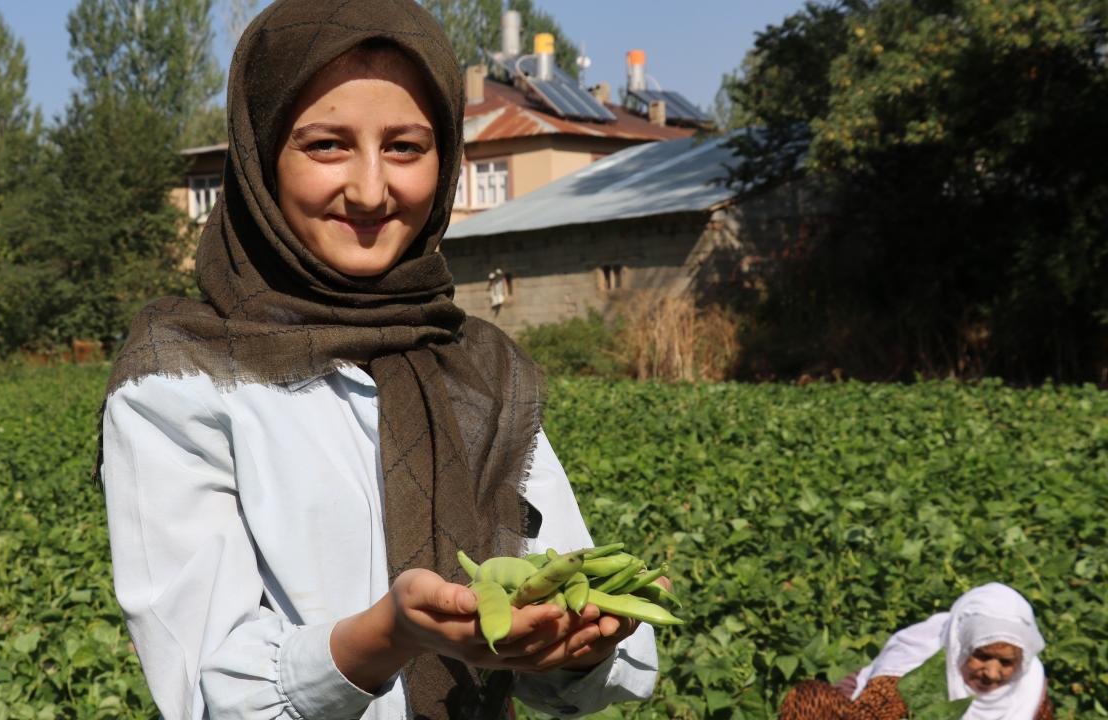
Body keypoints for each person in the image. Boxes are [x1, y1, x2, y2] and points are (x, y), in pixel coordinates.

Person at [97, 1, 659, 719]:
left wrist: (583, 642)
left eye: (405, 148)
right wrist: (383, 638)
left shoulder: (480, 368)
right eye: (327, 145)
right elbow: (205, 692)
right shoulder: (179, 380)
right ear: (260, 157)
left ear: (447, 157)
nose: (370, 190)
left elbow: (613, 675)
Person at [778, 583, 1052, 720]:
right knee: (808, 699)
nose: (992, 673)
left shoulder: (1029, 686)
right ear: (960, 647)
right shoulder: (913, 668)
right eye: (981, 656)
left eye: (1006, 662)